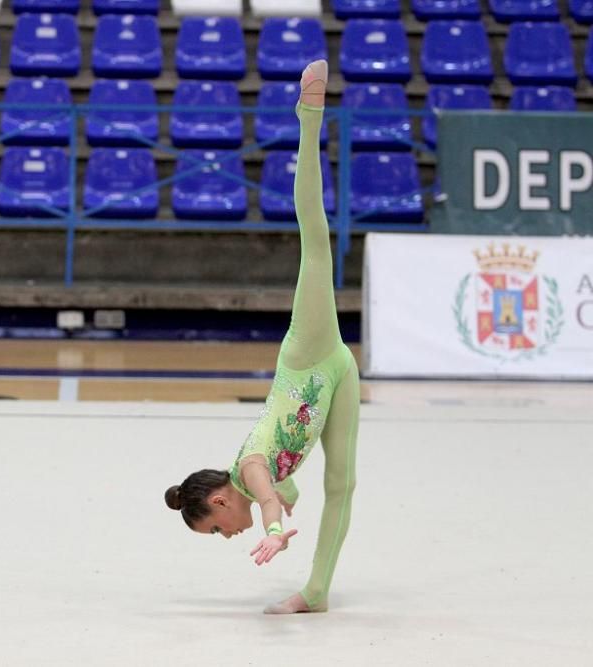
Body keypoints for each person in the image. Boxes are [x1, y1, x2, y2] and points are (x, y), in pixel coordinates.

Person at [164, 60, 360, 615]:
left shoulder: (248, 467)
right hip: (338, 374)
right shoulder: (248, 482)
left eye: (218, 530)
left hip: (309, 355)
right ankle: (317, 593)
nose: (228, 536)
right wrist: (283, 501)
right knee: (343, 484)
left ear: (221, 500)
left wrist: (273, 529)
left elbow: (271, 491)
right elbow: (287, 485)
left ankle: (309, 118)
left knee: (316, 244)